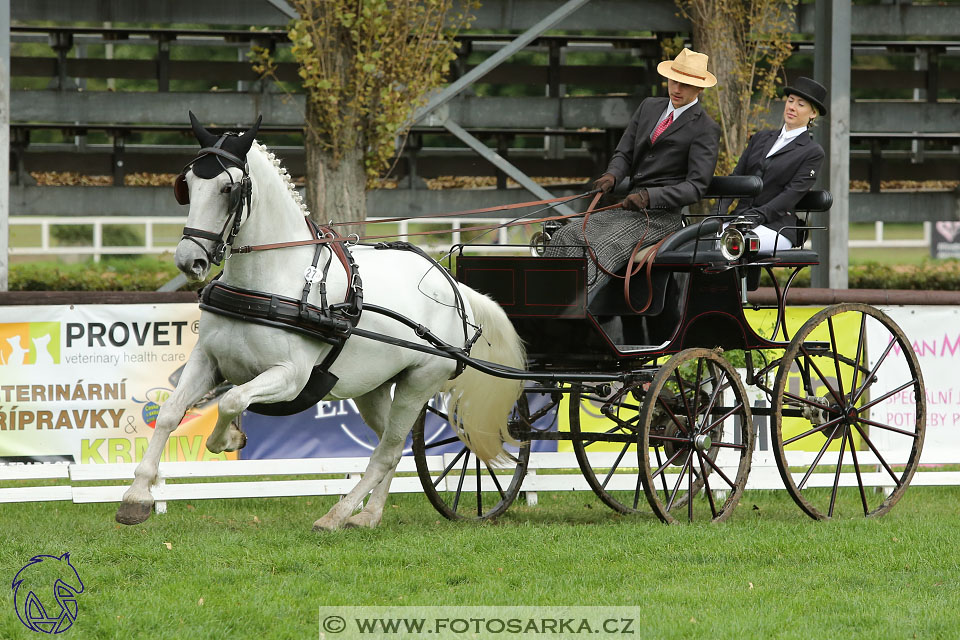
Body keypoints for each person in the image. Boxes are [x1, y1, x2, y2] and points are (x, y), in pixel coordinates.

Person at [545, 48, 721, 294]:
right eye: (673, 81)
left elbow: (696, 187)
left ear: (700, 88)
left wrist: (650, 196)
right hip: (628, 207)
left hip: (661, 217)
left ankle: (579, 310)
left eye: (686, 84)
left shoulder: (705, 128)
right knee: (567, 234)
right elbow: (624, 152)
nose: (677, 89)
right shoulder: (649, 107)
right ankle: (545, 300)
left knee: (601, 246)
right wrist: (612, 175)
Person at [723, 76, 827, 253]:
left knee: (732, 243)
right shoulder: (760, 138)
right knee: (700, 241)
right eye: (790, 100)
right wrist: (717, 213)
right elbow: (736, 178)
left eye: (801, 104)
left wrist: (758, 216)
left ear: (813, 113)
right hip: (740, 219)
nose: (792, 107)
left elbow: (791, 194)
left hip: (777, 226)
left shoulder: (812, 152)